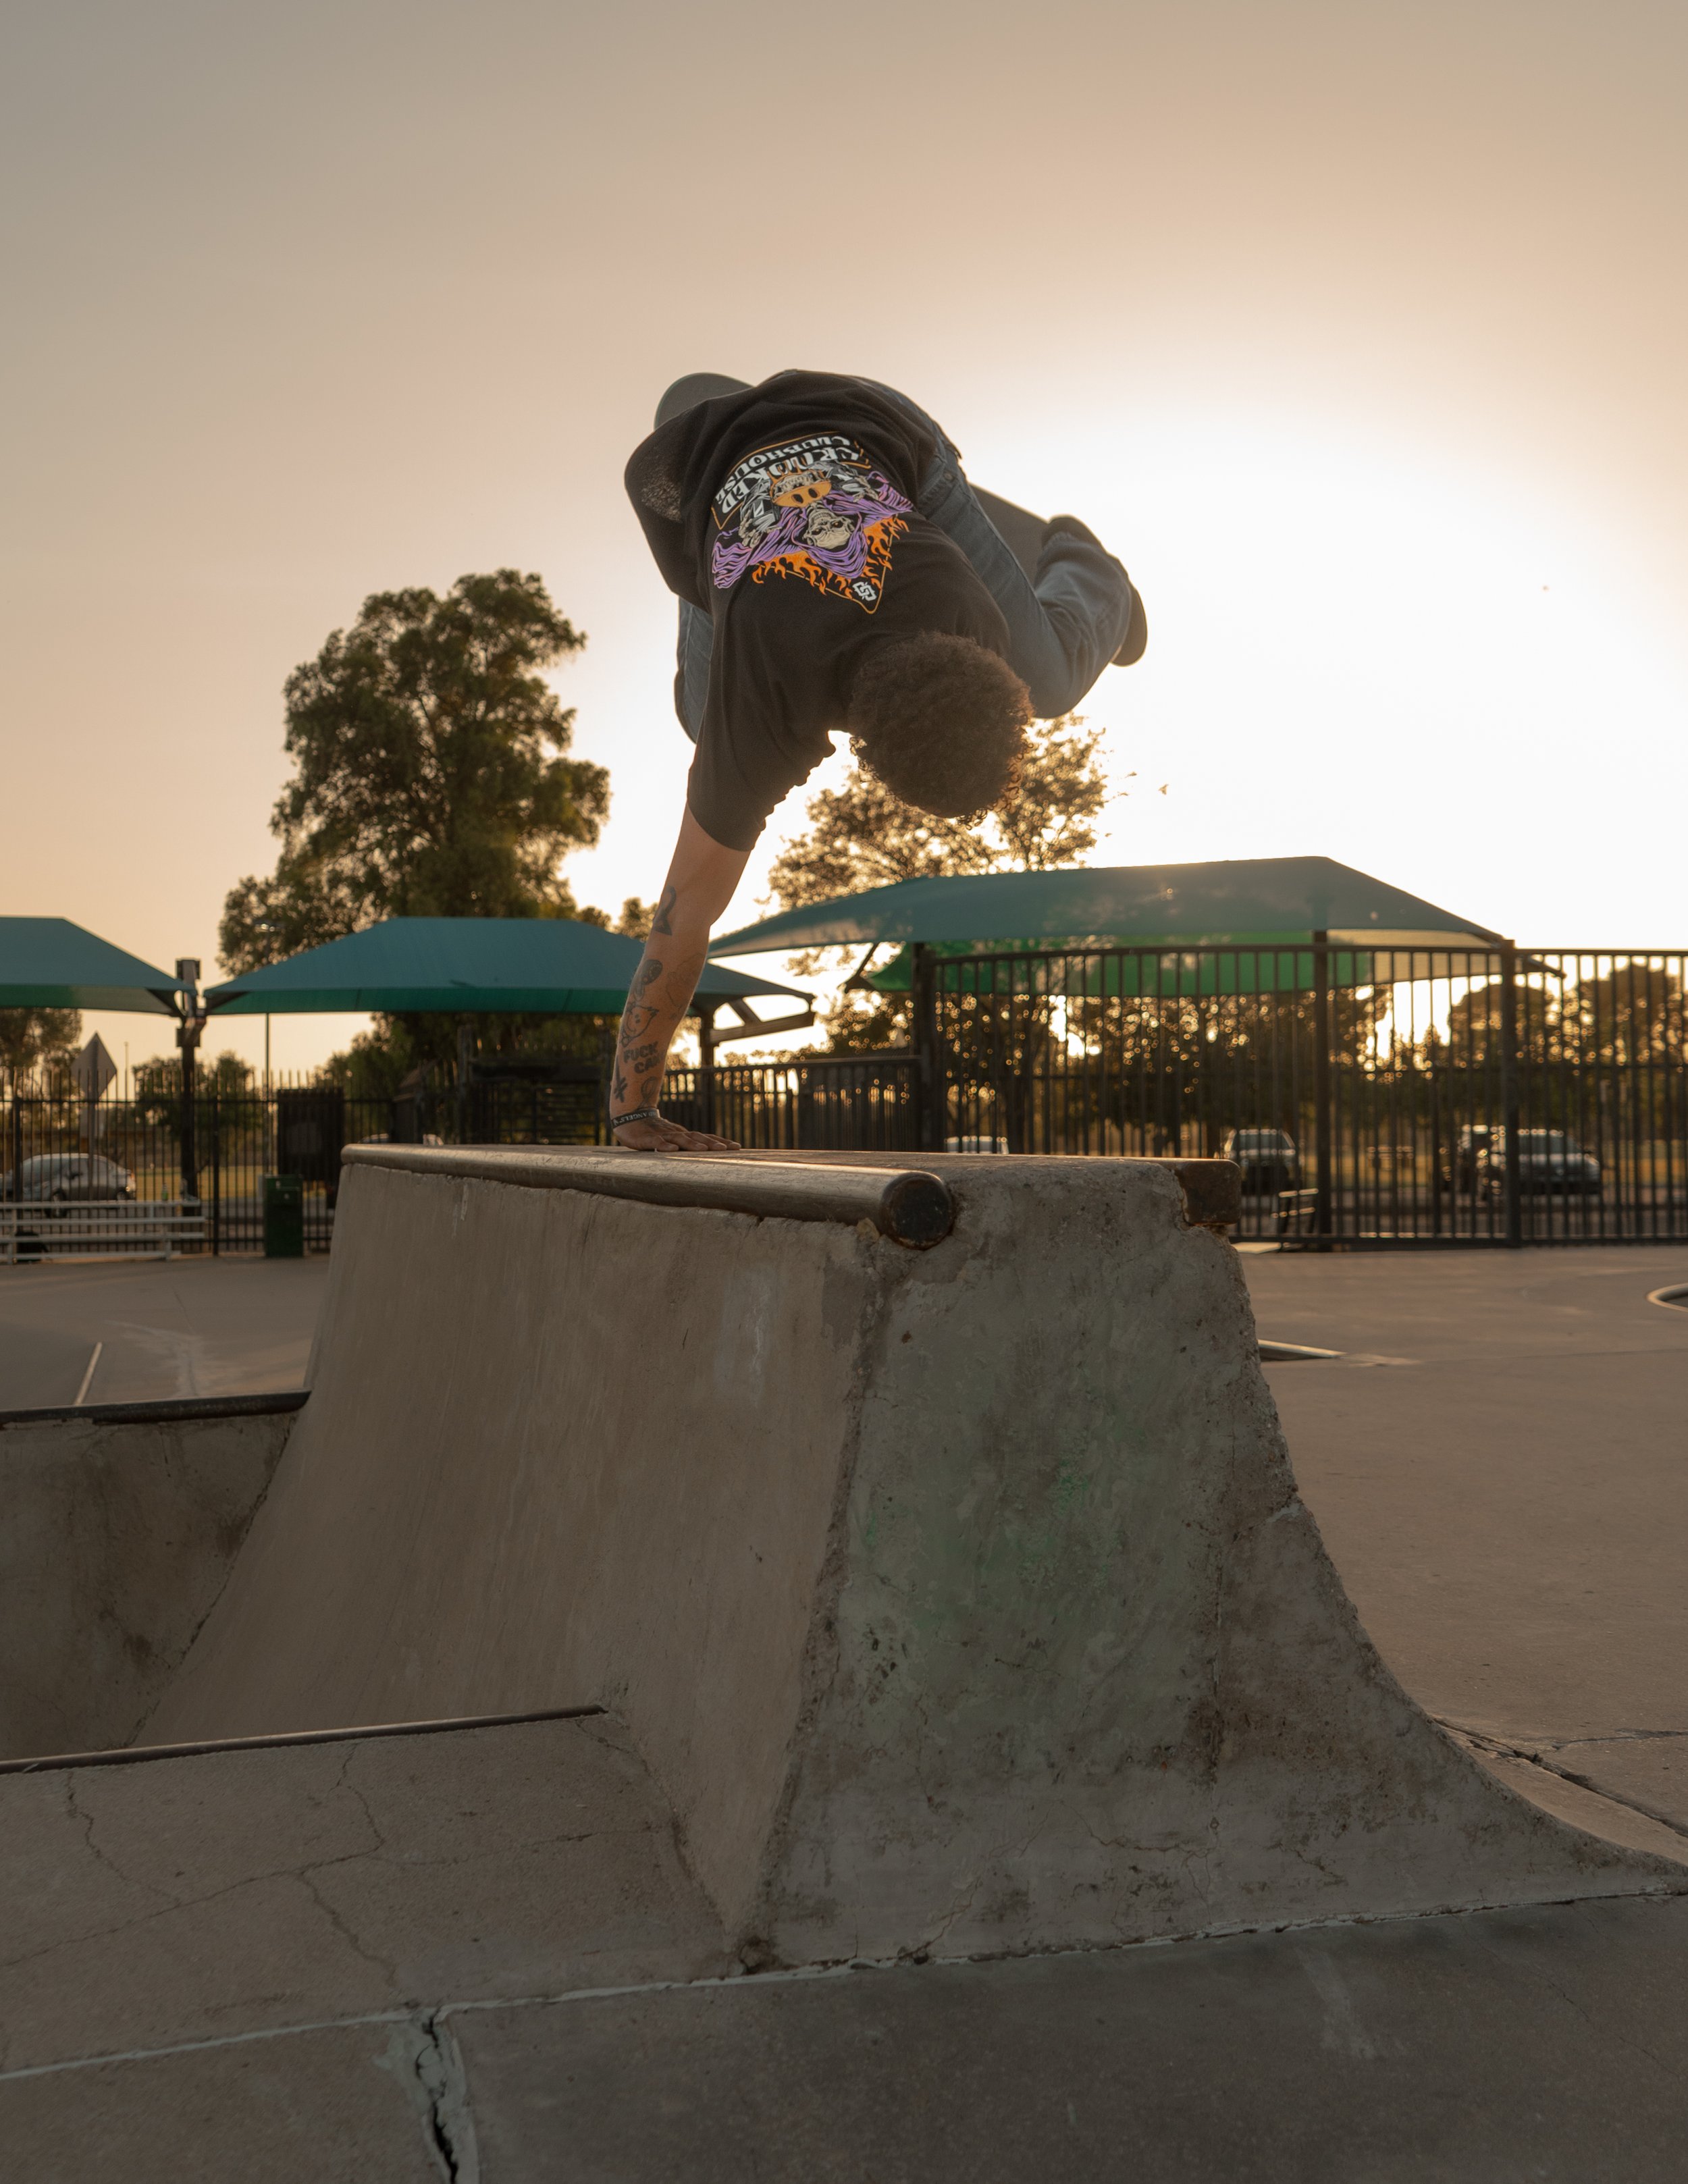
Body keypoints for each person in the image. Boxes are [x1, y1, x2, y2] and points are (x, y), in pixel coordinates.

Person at [609, 369, 1144, 1152]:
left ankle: (1071, 562)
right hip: (690, 474)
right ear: (859, 745)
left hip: (882, 432)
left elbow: (686, 905)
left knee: (1042, 683)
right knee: (704, 718)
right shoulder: (762, 701)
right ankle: (1102, 581)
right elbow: (684, 908)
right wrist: (632, 1111)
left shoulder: (970, 618)